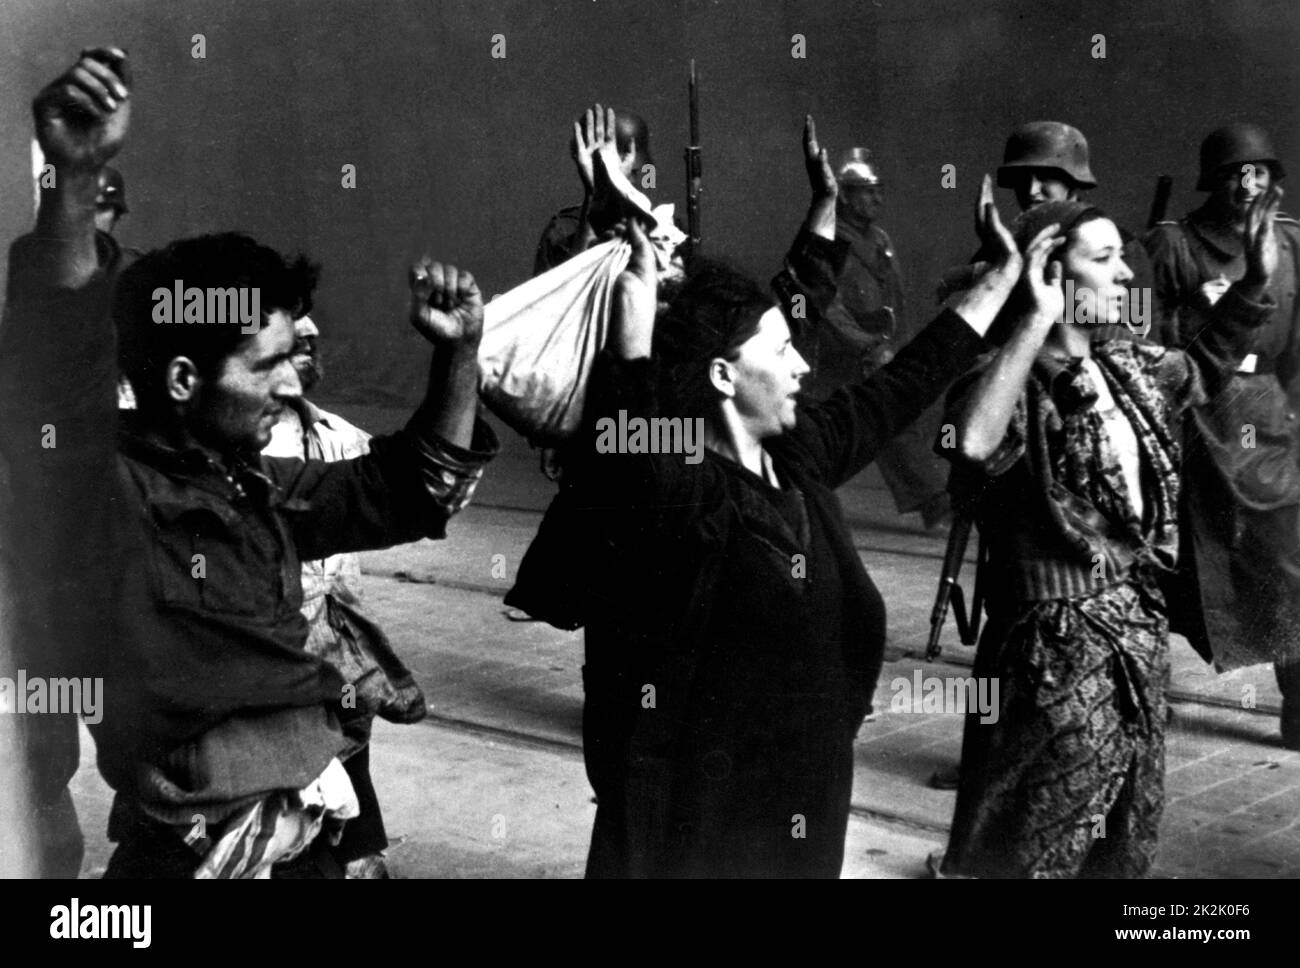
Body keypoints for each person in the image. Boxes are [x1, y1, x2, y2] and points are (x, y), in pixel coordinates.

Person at [0, 48, 498, 878]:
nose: (292, 384)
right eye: (265, 366)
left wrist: (460, 355)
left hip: (306, 843)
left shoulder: (252, 482)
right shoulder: (102, 493)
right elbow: (55, 365)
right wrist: (73, 179)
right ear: (183, 380)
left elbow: (409, 491)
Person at [568, 116, 1028, 878]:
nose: (802, 367)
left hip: (804, 810)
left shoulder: (798, 454)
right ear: (722, 377)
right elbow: (624, 433)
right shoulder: (682, 490)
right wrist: (634, 305)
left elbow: (901, 382)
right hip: (701, 825)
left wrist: (1002, 281)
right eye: (781, 351)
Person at [936, 188, 1281, 878]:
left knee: (1121, 837)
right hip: (1051, 654)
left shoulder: (1126, 367)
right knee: (1036, 843)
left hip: (1136, 640)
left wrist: (1253, 283)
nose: (1126, 274)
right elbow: (973, 441)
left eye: (1122, 257)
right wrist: (1035, 316)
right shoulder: (1007, 378)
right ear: (1050, 275)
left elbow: (1203, 366)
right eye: (1103, 259)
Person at [1145, 122, 1300, 749]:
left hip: (1267, 421)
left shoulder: (1291, 244)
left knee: (1291, 564)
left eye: (1259, 173)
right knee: (1168, 569)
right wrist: (1196, 313)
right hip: (1191, 417)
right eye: (1236, 174)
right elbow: (1145, 343)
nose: (1248, 186)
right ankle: (1142, 698)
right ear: (1213, 180)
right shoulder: (1173, 245)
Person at [263, 314, 430, 878]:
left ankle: (359, 854)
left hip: (339, 641)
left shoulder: (338, 434)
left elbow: (407, 480)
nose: (307, 356)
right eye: (293, 346)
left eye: (312, 344)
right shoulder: (239, 450)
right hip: (281, 651)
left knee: (352, 741)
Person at [798, 147, 951, 529]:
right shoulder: (830, 238)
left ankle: (932, 498)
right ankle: (933, 498)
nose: (877, 198)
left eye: (879, 190)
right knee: (879, 416)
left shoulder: (880, 238)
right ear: (846, 196)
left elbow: (896, 296)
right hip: (839, 354)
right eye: (868, 191)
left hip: (879, 347)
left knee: (885, 416)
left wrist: (901, 345)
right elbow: (827, 305)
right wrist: (867, 346)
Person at [534, 103, 654, 275]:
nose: (633, 180)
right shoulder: (564, 230)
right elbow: (566, 287)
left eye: (635, 172)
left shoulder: (661, 226)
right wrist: (594, 193)